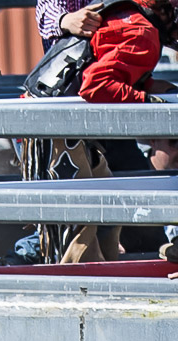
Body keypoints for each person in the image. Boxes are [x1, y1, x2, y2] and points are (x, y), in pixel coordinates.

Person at [22, 0, 178, 263]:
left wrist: (157, 90)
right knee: (78, 237)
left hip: (68, 125)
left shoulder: (136, 21)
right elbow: (96, 85)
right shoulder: (144, 33)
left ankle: (106, 286)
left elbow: (118, 69)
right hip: (56, 129)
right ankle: (77, 293)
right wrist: (151, 103)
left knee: (107, 218)